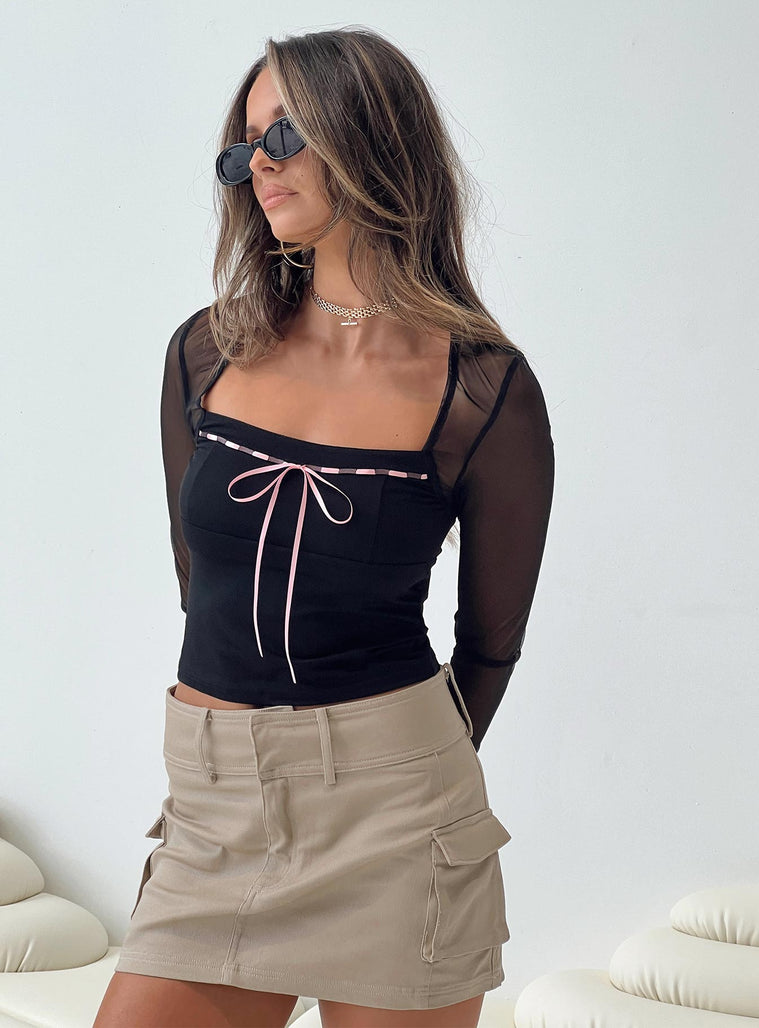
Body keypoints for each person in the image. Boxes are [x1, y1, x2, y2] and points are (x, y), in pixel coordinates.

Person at [94, 25, 554, 1028]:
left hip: (395, 813)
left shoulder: (482, 389)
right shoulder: (206, 351)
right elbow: (199, 581)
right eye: (243, 147)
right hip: (214, 809)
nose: (258, 166)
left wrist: (379, 770)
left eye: (284, 134)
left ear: (371, 133)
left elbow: (490, 644)